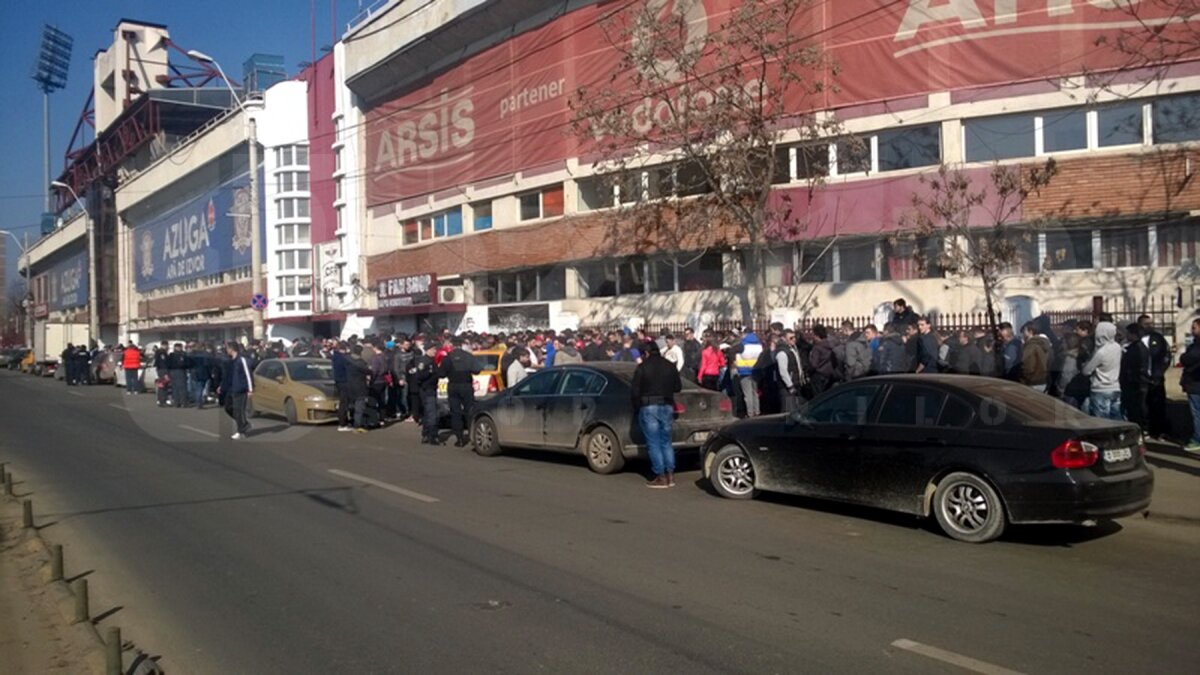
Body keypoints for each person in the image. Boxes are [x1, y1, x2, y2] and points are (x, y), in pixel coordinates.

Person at [631, 340, 682, 488]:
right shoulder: (669, 366)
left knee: (653, 442)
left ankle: (660, 475)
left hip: (649, 406)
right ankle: (670, 474)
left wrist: (636, 407)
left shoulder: (642, 368)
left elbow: (635, 391)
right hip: (666, 405)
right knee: (666, 441)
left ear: (646, 353)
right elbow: (678, 387)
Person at [439, 338, 481, 447]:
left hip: (453, 385)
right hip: (466, 385)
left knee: (455, 413)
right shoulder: (468, 356)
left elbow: (442, 374)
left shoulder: (448, 358)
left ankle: (460, 438)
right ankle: (473, 436)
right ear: (462, 345)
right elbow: (477, 370)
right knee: (470, 411)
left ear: (452, 345)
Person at [1138, 315, 1172, 439]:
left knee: (1158, 405)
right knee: (1143, 406)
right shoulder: (1137, 340)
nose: (1150, 326)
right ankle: (1145, 428)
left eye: (1151, 323)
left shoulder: (1158, 338)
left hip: (1157, 379)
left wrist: (1159, 372)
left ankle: (1159, 430)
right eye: (1146, 324)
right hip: (1142, 379)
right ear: (1140, 325)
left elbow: (1167, 356)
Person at [1082, 321, 1123, 421]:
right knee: (1116, 417)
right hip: (1115, 387)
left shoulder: (1101, 352)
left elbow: (1086, 371)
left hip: (1100, 388)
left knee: (1102, 420)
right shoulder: (1117, 347)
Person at [220, 342, 254, 439]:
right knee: (228, 408)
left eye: (227, 349)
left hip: (241, 389)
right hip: (231, 389)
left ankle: (240, 430)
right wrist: (222, 386)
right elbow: (228, 376)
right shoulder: (231, 361)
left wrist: (250, 389)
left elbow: (248, 374)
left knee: (239, 410)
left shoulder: (242, 360)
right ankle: (244, 424)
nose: (226, 351)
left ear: (232, 349)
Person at [1120, 323, 1149, 430]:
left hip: (1134, 383)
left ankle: (1138, 428)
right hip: (1138, 382)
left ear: (1133, 334)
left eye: (1128, 333)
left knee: (1135, 409)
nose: (1126, 335)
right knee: (1138, 408)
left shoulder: (1135, 349)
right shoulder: (1140, 347)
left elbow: (1130, 366)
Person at [775, 329, 807, 413]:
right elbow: (783, 371)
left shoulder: (792, 349)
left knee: (795, 408)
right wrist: (790, 385)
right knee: (788, 410)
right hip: (787, 387)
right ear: (784, 339)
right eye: (791, 338)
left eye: (794, 337)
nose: (794, 339)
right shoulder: (782, 352)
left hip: (796, 383)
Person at [1180, 318, 1200, 453]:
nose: (1192, 331)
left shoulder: (1197, 345)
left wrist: (1183, 357)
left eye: (1194, 328)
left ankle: (1198, 439)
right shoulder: (1195, 344)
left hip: (1196, 383)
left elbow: (1188, 358)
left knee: (1197, 413)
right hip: (1194, 383)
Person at [415, 342, 440, 445]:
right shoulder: (424, 361)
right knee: (432, 413)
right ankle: (432, 436)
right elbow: (419, 376)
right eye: (433, 349)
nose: (435, 351)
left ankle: (426, 434)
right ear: (428, 350)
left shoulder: (431, 361)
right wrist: (429, 373)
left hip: (431, 389)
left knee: (427, 412)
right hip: (427, 389)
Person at [734, 328, 764, 417]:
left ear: (745, 334)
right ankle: (757, 411)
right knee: (755, 393)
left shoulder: (742, 345)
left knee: (748, 394)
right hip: (756, 371)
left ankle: (750, 413)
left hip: (744, 371)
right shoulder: (759, 344)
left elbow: (732, 351)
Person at [344, 344, 373, 433]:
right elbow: (369, 371)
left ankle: (350, 422)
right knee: (359, 407)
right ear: (361, 352)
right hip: (360, 386)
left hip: (348, 385)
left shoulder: (346, 360)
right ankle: (358, 426)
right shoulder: (361, 363)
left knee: (351, 406)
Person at [1019, 321, 1051, 392]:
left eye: (1024, 331)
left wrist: (1023, 379)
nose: (1023, 334)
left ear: (1030, 331)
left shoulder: (1031, 345)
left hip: (1032, 382)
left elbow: (1028, 366)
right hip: (1043, 380)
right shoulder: (1044, 343)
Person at [808, 324, 838, 394]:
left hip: (818, 376)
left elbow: (814, 364)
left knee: (818, 397)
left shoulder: (817, 347)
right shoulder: (831, 345)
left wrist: (808, 372)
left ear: (816, 335)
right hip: (829, 375)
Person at [331, 343, 353, 432]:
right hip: (344, 381)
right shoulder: (343, 359)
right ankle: (342, 424)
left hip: (338, 382)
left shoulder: (335, 358)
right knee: (344, 403)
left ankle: (343, 422)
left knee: (342, 402)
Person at [165, 343, 192, 408]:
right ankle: (183, 403)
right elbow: (186, 364)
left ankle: (177, 403)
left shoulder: (171, 355)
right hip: (180, 371)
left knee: (175, 388)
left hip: (173, 372)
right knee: (182, 388)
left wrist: (168, 373)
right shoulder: (182, 355)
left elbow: (167, 365)